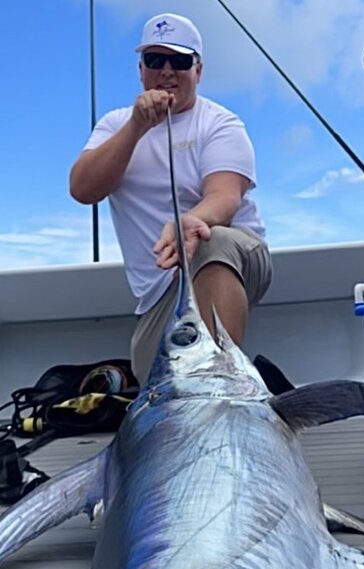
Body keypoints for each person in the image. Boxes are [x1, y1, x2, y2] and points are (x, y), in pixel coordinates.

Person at [70, 12, 272, 386]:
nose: (166, 71)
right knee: (157, 388)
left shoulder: (221, 123)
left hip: (235, 258)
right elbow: (83, 189)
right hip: (161, 293)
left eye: (180, 61)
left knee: (215, 239)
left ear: (198, 70)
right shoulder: (115, 125)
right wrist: (137, 127)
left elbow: (224, 196)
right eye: (154, 60)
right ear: (140, 69)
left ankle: (222, 385)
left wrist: (191, 223)